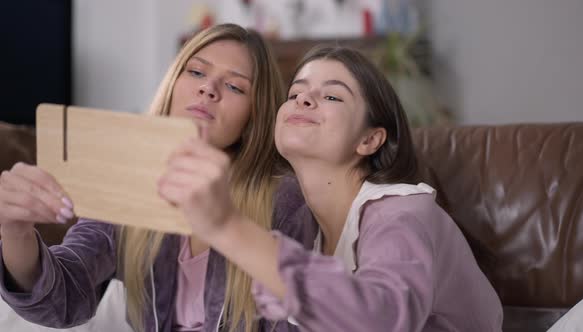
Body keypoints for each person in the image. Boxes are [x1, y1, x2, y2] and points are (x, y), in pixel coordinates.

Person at [159, 45, 504, 331]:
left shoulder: (403, 214)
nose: (303, 100)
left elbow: (380, 319)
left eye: (332, 97)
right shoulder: (303, 230)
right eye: (295, 92)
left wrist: (227, 227)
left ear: (370, 139)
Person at [0, 24, 304, 332]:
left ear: (255, 114)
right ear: (173, 83)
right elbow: (63, 299)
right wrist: (15, 231)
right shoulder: (128, 180)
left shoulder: (284, 199)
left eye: (235, 87)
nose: (208, 88)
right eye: (197, 72)